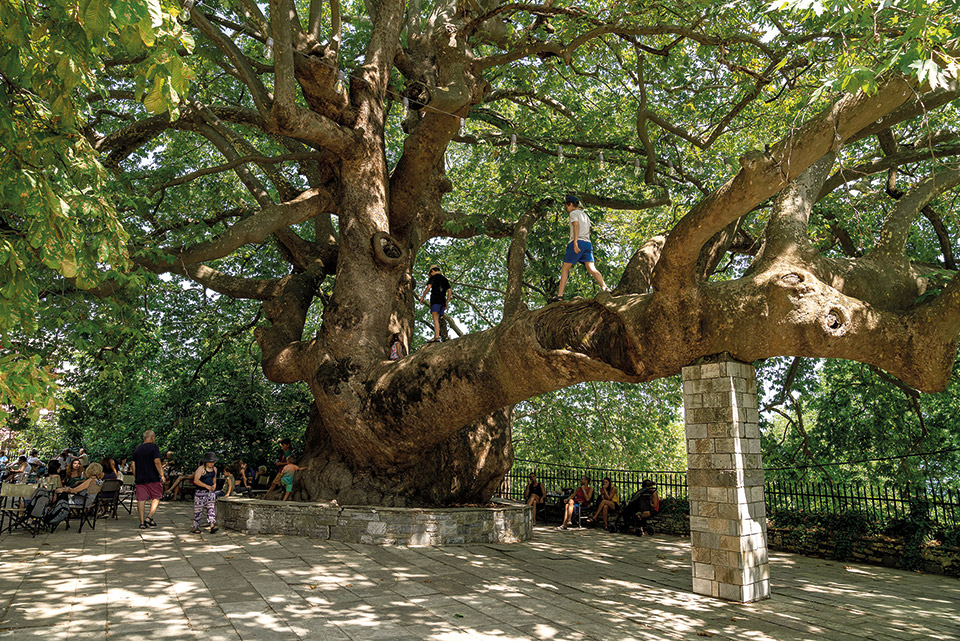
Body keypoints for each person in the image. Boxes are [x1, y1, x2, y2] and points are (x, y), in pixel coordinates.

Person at [548, 195, 610, 303]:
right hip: (587, 243)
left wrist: (575, 242)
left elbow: (576, 225)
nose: (566, 209)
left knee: (565, 268)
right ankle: (605, 287)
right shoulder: (585, 216)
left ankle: (560, 296)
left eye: (566, 206)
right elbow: (589, 231)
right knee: (591, 268)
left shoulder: (573, 213)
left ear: (571, 204)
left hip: (577, 242)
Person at [131, 430, 165, 529]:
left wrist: (136, 476)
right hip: (153, 478)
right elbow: (157, 461)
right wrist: (162, 475)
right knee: (156, 496)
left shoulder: (137, 449)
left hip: (140, 479)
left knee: (141, 499)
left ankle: (141, 522)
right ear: (152, 437)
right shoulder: (154, 447)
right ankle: (149, 517)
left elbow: (133, 464)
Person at [418, 265, 452, 343]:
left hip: (435, 299)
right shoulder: (444, 279)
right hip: (442, 301)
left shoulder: (433, 277)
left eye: (430, 273)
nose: (430, 275)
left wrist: (422, 297)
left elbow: (429, 287)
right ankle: (437, 337)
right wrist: (447, 302)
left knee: (435, 318)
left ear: (432, 271)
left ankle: (436, 337)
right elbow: (450, 291)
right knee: (437, 318)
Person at [190, 452, 220, 534]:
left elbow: (214, 478)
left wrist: (214, 484)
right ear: (206, 462)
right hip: (200, 492)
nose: (212, 464)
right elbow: (196, 480)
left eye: (213, 462)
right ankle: (195, 526)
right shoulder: (201, 469)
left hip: (210, 492)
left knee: (211, 508)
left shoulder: (215, 469)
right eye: (210, 462)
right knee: (198, 509)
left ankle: (212, 525)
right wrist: (206, 486)